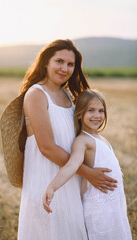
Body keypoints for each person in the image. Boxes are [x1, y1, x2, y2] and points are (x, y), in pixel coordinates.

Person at [18, 39, 117, 240]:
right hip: (45, 176)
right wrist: (88, 173)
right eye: (59, 61)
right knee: (49, 231)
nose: (65, 68)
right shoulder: (36, 94)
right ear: (46, 62)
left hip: (70, 176)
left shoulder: (67, 95)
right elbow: (46, 147)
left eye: (70, 64)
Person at [42, 89, 132, 240]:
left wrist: (117, 172)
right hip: (99, 207)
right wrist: (52, 187)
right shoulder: (83, 141)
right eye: (91, 110)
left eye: (101, 111)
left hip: (114, 204)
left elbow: (106, 161)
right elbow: (72, 166)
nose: (97, 115)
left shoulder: (101, 138)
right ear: (79, 114)